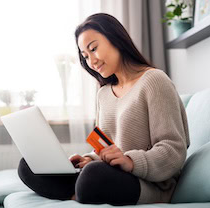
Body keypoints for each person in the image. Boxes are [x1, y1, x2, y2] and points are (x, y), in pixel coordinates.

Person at [18, 13, 190, 205]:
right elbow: (104, 147)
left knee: (93, 176)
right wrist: (89, 159)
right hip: (109, 175)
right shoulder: (104, 94)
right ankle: (79, 193)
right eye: (85, 56)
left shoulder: (154, 81)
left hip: (148, 183)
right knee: (29, 165)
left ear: (115, 38)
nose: (91, 61)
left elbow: (173, 150)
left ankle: (80, 191)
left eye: (93, 49)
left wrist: (130, 161)